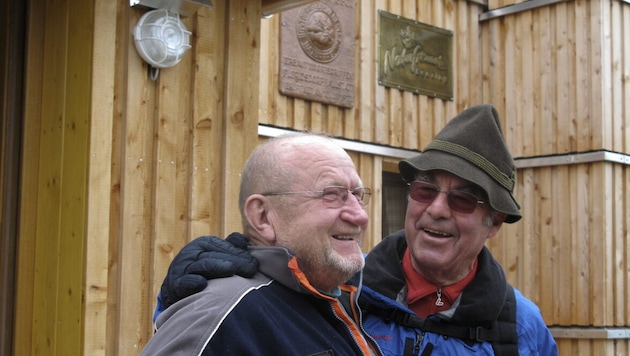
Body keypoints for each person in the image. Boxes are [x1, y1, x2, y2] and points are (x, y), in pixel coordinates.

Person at [154, 104, 558, 355]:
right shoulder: (337, 289)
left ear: (495, 222)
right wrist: (179, 298)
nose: (437, 210)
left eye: (463, 200)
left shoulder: (522, 328)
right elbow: (234, 325)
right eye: (424, 189)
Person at [141, 133, 382, 355]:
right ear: (262, 216)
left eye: (358, 195)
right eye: (331, 194)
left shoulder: (343, 300)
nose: (359, 215)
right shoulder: (222, 315)